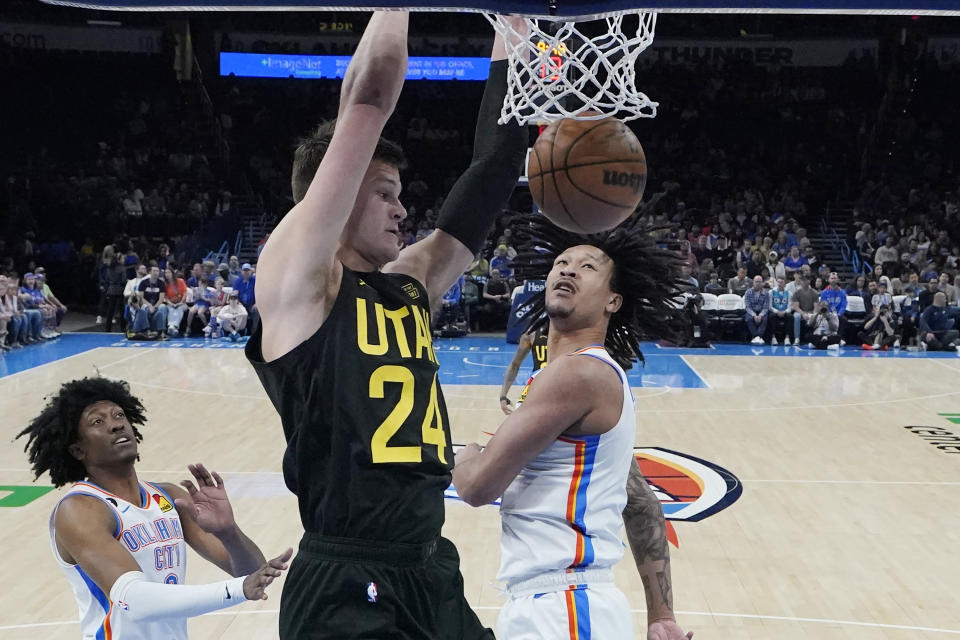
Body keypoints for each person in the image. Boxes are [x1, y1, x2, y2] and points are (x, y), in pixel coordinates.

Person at [245, 14, 527, 639]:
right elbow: (368, 98)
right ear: (337, 195)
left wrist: (514, 32)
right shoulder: (299, 285)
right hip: (344, 577)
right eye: (384, 192)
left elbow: (496, 166)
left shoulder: (409, 286)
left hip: (429, 565)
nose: (402, 208)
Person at [452, 214, 693, 640]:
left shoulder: (578, 374)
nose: (567, 269)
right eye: (561, 262)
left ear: (613, 301)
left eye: (587, 267)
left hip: (564, 607)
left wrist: (467, 453)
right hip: (566, 604)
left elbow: (475, 487)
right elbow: (639, 502)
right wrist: (661, 615)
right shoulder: (582, 374)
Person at [15, 377, 291, 640]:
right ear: (78, 451)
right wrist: (237, 590)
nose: (115, 425)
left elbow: (252, 572)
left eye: (119, 415)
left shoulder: (169, 496)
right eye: (97, 422)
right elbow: (134, 599)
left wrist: (229, 533)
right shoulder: (80, 510)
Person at [499, 327, 548, 415]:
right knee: (520, 419)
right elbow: (515, 365)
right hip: (536, 385)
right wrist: (503, 396)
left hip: (559, 386)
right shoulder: (531, 333)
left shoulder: (571, 333)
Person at [743, 275, 770, 344]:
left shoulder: (766, 293)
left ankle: (756, 337)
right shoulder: (748, 292)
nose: (758, 283)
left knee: (764, 319)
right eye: (756, 282)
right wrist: (754, 315)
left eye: (759, 282)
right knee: (749, 318)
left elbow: (766, 307)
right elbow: (747, 307)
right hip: (751, 311)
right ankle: (758, 336)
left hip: (762, 311)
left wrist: (760, 315)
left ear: (762, 283)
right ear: (753, 282)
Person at [769, 276, 793, 345]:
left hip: (785, 312)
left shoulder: (789, 293)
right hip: (775, 312)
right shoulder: (771, 292)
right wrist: (777, 311)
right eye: (778, 282)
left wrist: (784, 312)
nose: (779, 284)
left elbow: (790, 306)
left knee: (790, 316)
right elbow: (770, 306)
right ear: (776, 283)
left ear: (784, 283)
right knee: (771, 316)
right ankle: (773, 338)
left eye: (781, 282)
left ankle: (787, 338)